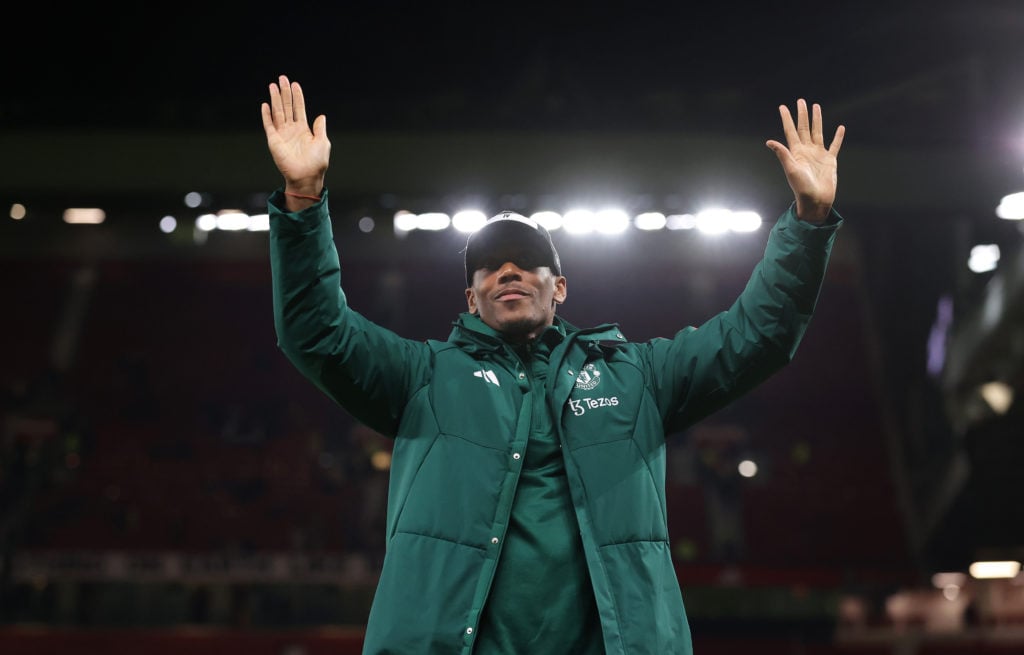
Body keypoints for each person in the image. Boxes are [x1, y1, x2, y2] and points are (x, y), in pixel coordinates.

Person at [261, 74, 845, 655]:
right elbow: (316, 332)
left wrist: (808, 223)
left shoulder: (635, 376)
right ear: (471, 299)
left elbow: (755, 337)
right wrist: (304, 201)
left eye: (527, 262)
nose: (507, 271)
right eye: (488, 267)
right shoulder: (422, 377)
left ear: (559, 287)